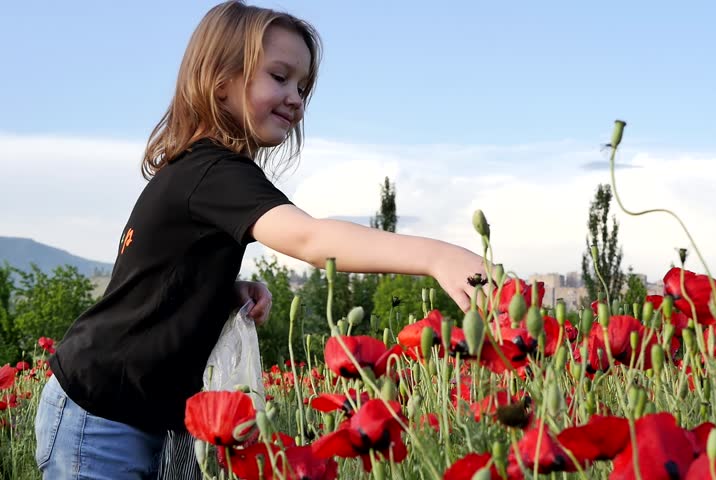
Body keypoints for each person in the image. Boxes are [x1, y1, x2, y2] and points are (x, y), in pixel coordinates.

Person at [33, 1, 487, 479]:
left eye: (303, 86)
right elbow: (310, 238)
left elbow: (157, 277)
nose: (296, 97)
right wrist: (439, 255)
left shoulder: (199, 171)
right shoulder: (212, 171)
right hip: (101, 415)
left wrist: (222, 289)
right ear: (220, 81)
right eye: (279, 76)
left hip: (145, 410)